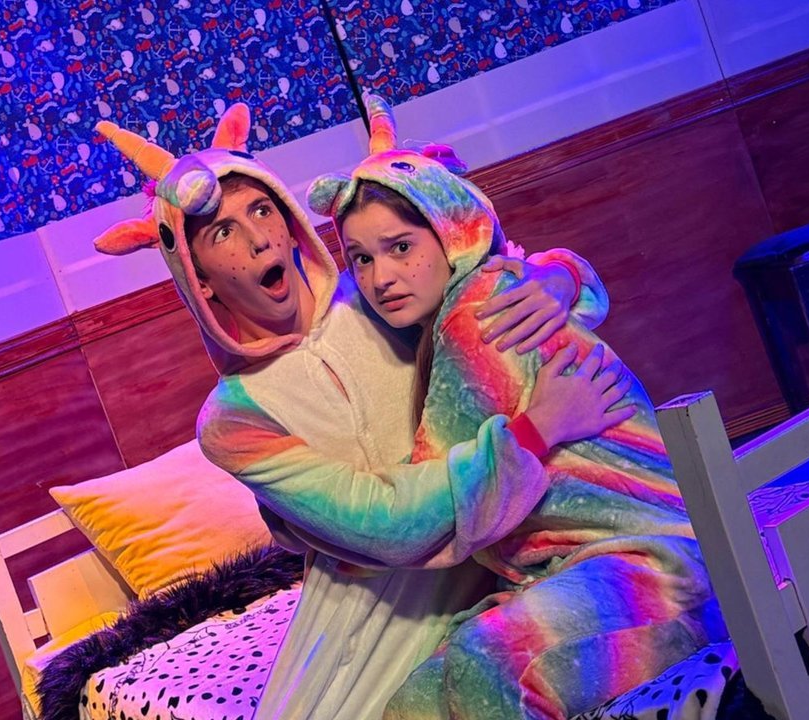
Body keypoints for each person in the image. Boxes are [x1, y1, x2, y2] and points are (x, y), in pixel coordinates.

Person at [93, 103, 623, 719]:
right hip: (379, 620)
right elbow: (384, 525)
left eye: (261, 210)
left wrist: (559, 278)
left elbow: (489, 274)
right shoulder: (234, 419)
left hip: (506, 555)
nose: (258, 238)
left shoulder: (377, 290)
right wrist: (533, 433)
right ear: (198, 277)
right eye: (222, 233)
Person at [306, 95, 728, 720]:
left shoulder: (476, 313)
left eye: (400, 247)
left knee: (484, 665)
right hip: (572, 571)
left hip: (654, 567)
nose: (380, 277)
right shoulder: (467, 304)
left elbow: (431, 513)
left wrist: (328, 536)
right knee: (411, 707)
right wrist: (564, 272)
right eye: (361, 258)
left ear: (450, 234)